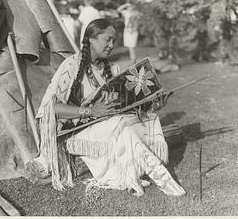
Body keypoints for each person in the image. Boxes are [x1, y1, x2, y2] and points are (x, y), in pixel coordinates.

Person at [26, 18, 186, 197]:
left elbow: (126, 108)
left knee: (148, 119)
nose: (111, 45)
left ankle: (130, 175)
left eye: (114, 41)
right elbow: (51, 108)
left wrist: (153, 105)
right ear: (90, 40)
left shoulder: (113, 68)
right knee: (121, 127)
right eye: (107, 40)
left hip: (103, 126)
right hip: (72, 132)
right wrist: (91, 111)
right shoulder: (71, 65)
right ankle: (158, 177)